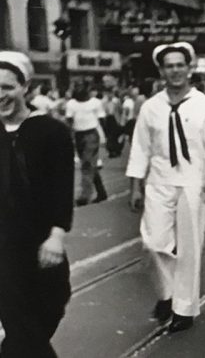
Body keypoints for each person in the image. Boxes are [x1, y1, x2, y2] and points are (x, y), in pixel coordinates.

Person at [126, 42, 205, 333]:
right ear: (161, 71)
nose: (175, 71)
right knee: (153, 242)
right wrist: (135, 187)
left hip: (193, 183)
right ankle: (167, 295)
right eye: (169, 66)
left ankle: (183, 308)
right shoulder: (151, 107)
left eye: (180, 65)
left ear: (189, 68)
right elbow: (140, 149)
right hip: (158, 182)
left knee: (190, 247)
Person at [0, 52, 74, 358]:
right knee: (20, 325)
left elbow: (62, 186)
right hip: (2, 246)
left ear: (25, 86)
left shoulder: (51, 131)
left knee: (51, 305)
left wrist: (57, 234)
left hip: (42, 240)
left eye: (6, 87)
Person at [65, 82, 108, 206]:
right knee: (89, 165)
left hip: (91, 134)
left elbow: (102, 119)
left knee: (87, 164)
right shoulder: (71, 104)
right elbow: (69, 121)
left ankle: (85, 195)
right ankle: (101, 192)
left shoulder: (95, 103)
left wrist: (104, 135)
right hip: (79, 135)